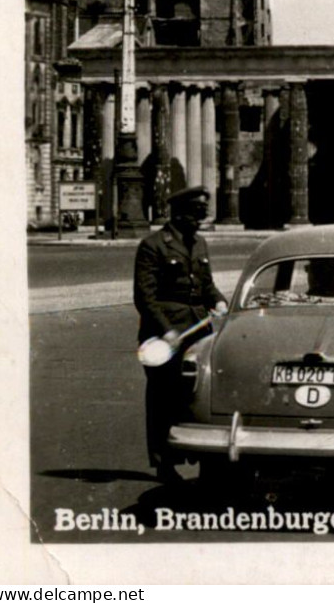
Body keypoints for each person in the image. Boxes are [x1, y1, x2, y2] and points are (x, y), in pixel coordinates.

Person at [133, 184, 227, 484]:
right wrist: (167, 331)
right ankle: (163, 462)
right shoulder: (153, 245)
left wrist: (220, 301)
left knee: (197, 395)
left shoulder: (199, 244)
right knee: (163, 399)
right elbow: (145, 297)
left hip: (199, 332)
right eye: (196, 213)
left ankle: (200, 456)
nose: (200, 220)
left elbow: (206, 284)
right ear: (179, 212)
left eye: (203, 214)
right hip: (166, 337)